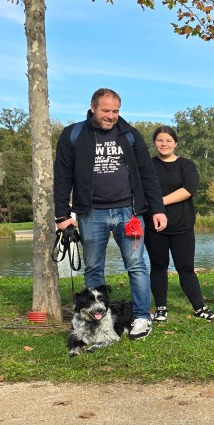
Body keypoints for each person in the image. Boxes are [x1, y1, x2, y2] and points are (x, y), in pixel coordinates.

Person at [53, 88, 166, 339]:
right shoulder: (73, 135)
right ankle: (95, 318)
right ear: (93, 108)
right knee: (93, 267)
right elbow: (62, 177)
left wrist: (157, 209)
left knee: (136, 265)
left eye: (115, 111)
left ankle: (141, 317)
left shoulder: (130, 135)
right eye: (106, 110)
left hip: (130, 212)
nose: (111, 116)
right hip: (91, 213)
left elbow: (148, 174)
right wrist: (62, 215)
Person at [143, 126, 214, 323]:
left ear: (175, 143)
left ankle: (200, 307)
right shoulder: (147, 165)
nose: (164, 144)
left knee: (186, 268)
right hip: (155, 227)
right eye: (160, 140)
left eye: (168, 140)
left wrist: (158, 202)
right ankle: (161, 309)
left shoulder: (186, 165)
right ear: (154, 143)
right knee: (158, 266)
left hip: (182, 225)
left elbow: (188, 190)